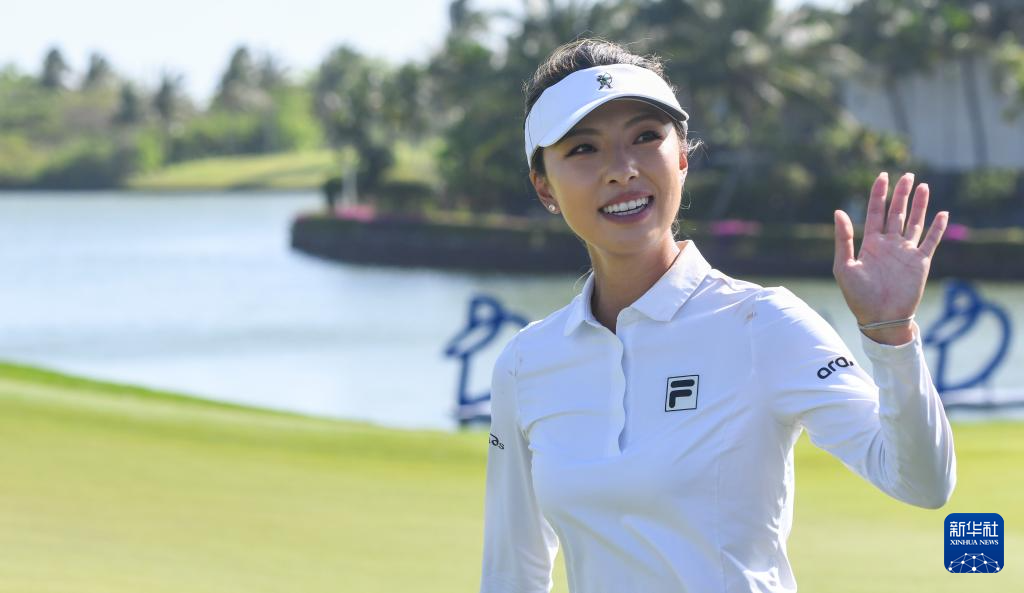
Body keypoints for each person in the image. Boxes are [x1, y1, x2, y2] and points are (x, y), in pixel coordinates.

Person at [478, 38, 957, 593]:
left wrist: (891, 335)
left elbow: (922, 483)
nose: (622, 170)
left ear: (682, 157)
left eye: (645, 137)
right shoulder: (527, 362)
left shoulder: (764, 323)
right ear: (544, 187)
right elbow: (511, 574)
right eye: (584, 149)